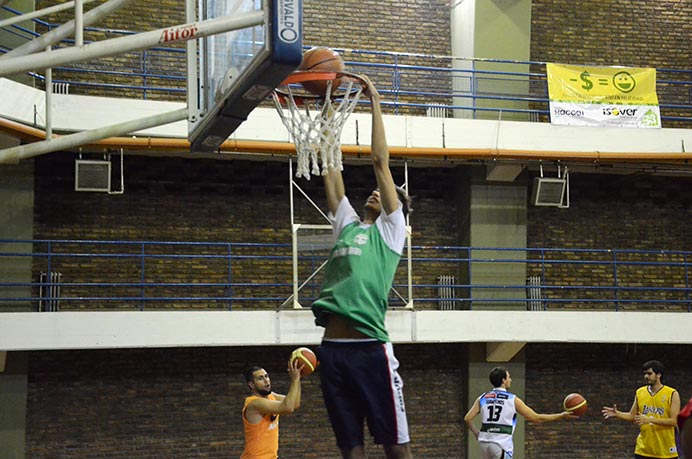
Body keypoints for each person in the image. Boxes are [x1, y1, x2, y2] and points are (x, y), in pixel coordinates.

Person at [311, 75, 413, 459]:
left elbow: (379, 162)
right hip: (333, 351)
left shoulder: (390, 231)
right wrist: (326, 113)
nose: (378, 192)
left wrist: (375, 102)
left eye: (389, 195)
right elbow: (331, 168)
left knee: (395, 449)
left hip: (371, 349)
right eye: (376, 191)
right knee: (349, 450)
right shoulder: (348, 224)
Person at [464, 366, 574, 459]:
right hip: (500, 445)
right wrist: (561, 415)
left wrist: (476, 433)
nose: (510, 380)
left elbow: (467, 418)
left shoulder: (482, 398)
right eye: (509, 377)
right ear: (503, 380)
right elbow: (536, 418)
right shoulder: (512, 399)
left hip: (484, 444)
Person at [602, 360, 681, 459]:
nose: (646, 376)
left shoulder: (672, 393)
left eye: (649, 373)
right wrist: (617, 414)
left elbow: (674, 421)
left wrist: (650, 419)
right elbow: (632, 416)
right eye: (645, 374)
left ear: (659, 374)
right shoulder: (640, 392)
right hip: (643, 450)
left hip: (665, 450)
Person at [240, 359, 303, 459]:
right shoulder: (254, 403)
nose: (266, 380)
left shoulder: (271, 396)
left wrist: (298, 379)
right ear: (251, 385)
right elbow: (288, 407)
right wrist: (294, 380)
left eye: (266, 376)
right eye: (260, 378)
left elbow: (295, 403)